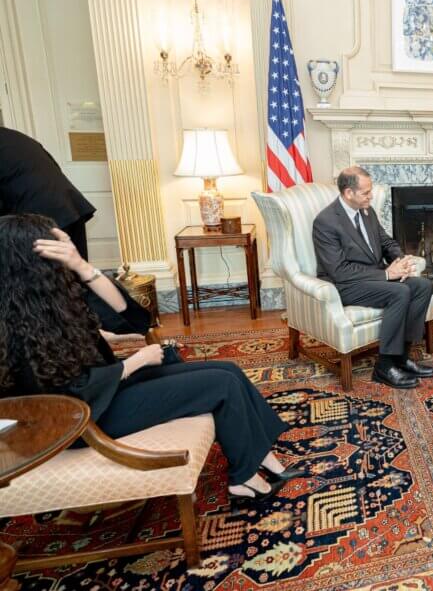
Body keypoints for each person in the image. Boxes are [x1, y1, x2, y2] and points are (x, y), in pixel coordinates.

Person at [0, 213, 302, 503]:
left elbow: (131, 319)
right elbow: (66, 394)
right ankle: (242, 478)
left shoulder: (46, 298)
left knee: (229, 369)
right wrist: (135, 362)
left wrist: (82, 267)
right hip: (84, 419)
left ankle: (264, 457)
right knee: (220, 385)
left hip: (106, 394)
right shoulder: (14, 323)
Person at [312, 167, 433, 389]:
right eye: (366, 192)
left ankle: (401, 357)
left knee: (423, 285)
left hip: (374, 277)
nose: (371, 196)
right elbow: (339, 271)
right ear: (349, 193)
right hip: (345, 285)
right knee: (400, 291)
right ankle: (384, 367)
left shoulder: (367, 211)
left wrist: (401, 260)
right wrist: (387, 274)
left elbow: (386, 242)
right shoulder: (326, 222)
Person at [0, 127, 96, 260]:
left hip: (37, 216)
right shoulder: (12, 136)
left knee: (39, 276)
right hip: (68, 206)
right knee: (75, 270)